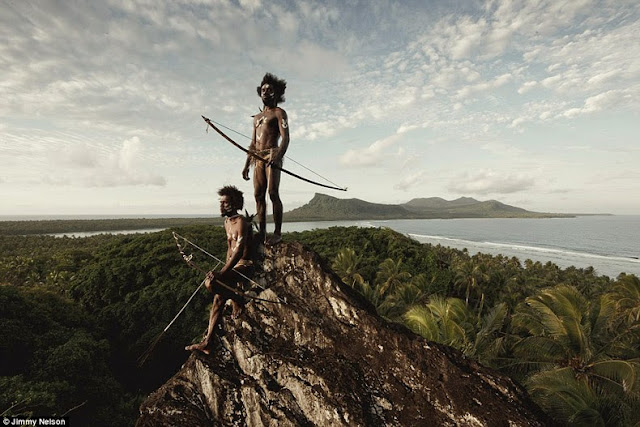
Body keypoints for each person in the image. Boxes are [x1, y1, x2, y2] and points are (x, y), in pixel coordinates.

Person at [185, 185, 253, 354]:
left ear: (235, 204)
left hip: (245, 266)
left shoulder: (241, 222)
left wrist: (223, 274)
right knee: (218, 299)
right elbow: (229, 250)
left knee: (211, 284)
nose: (221, 206)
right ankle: (208, 342)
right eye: (220, 203)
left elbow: (238, 252)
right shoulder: (226, 223)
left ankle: (238, 299)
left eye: (225, 203)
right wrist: (223, 270)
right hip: (232, 267)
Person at [242, 72, 289, 245]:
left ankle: (277, 233)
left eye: (269, 89)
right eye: (263, 89)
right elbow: (253, 143)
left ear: (276, 93)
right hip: (258, 158)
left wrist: (278, 155)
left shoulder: (279, 113)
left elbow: (285, 137)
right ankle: (262, 233)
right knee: (258, 194)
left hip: (272, 155)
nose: (265, 92)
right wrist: (247, 165)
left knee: (272, 193)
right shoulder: (256, 118)